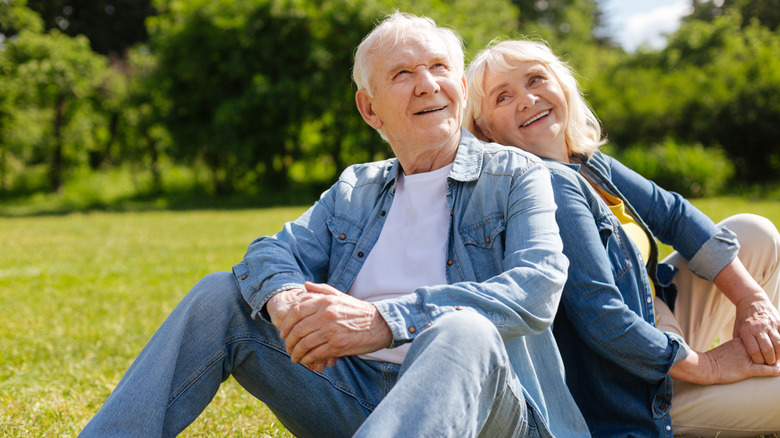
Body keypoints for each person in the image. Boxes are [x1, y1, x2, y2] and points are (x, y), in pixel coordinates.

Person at [80, 14, 591, 438]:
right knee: (221, 296)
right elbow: (268, 253)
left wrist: (383, 321)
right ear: (370, 109)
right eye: (402, 73)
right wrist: (285, 300)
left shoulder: (516, 174)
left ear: (460, 86)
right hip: (355, 396)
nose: (427, 84)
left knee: (463, 329)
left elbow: (537, 287)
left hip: (486, 410)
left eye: (439, 67)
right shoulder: (356, 187)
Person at [464, 39, 780, 437]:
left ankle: (763, 349)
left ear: (561, 84)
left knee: (753, 233)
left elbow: (673, 214)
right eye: (503, 96)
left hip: (661, 326)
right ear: (485, 131)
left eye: (536, 79)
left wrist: (751, 302)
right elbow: (603, 317)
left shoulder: (582, 160)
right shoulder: (548, 185)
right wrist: (712, 366)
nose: (527, 100)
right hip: (634, 389)